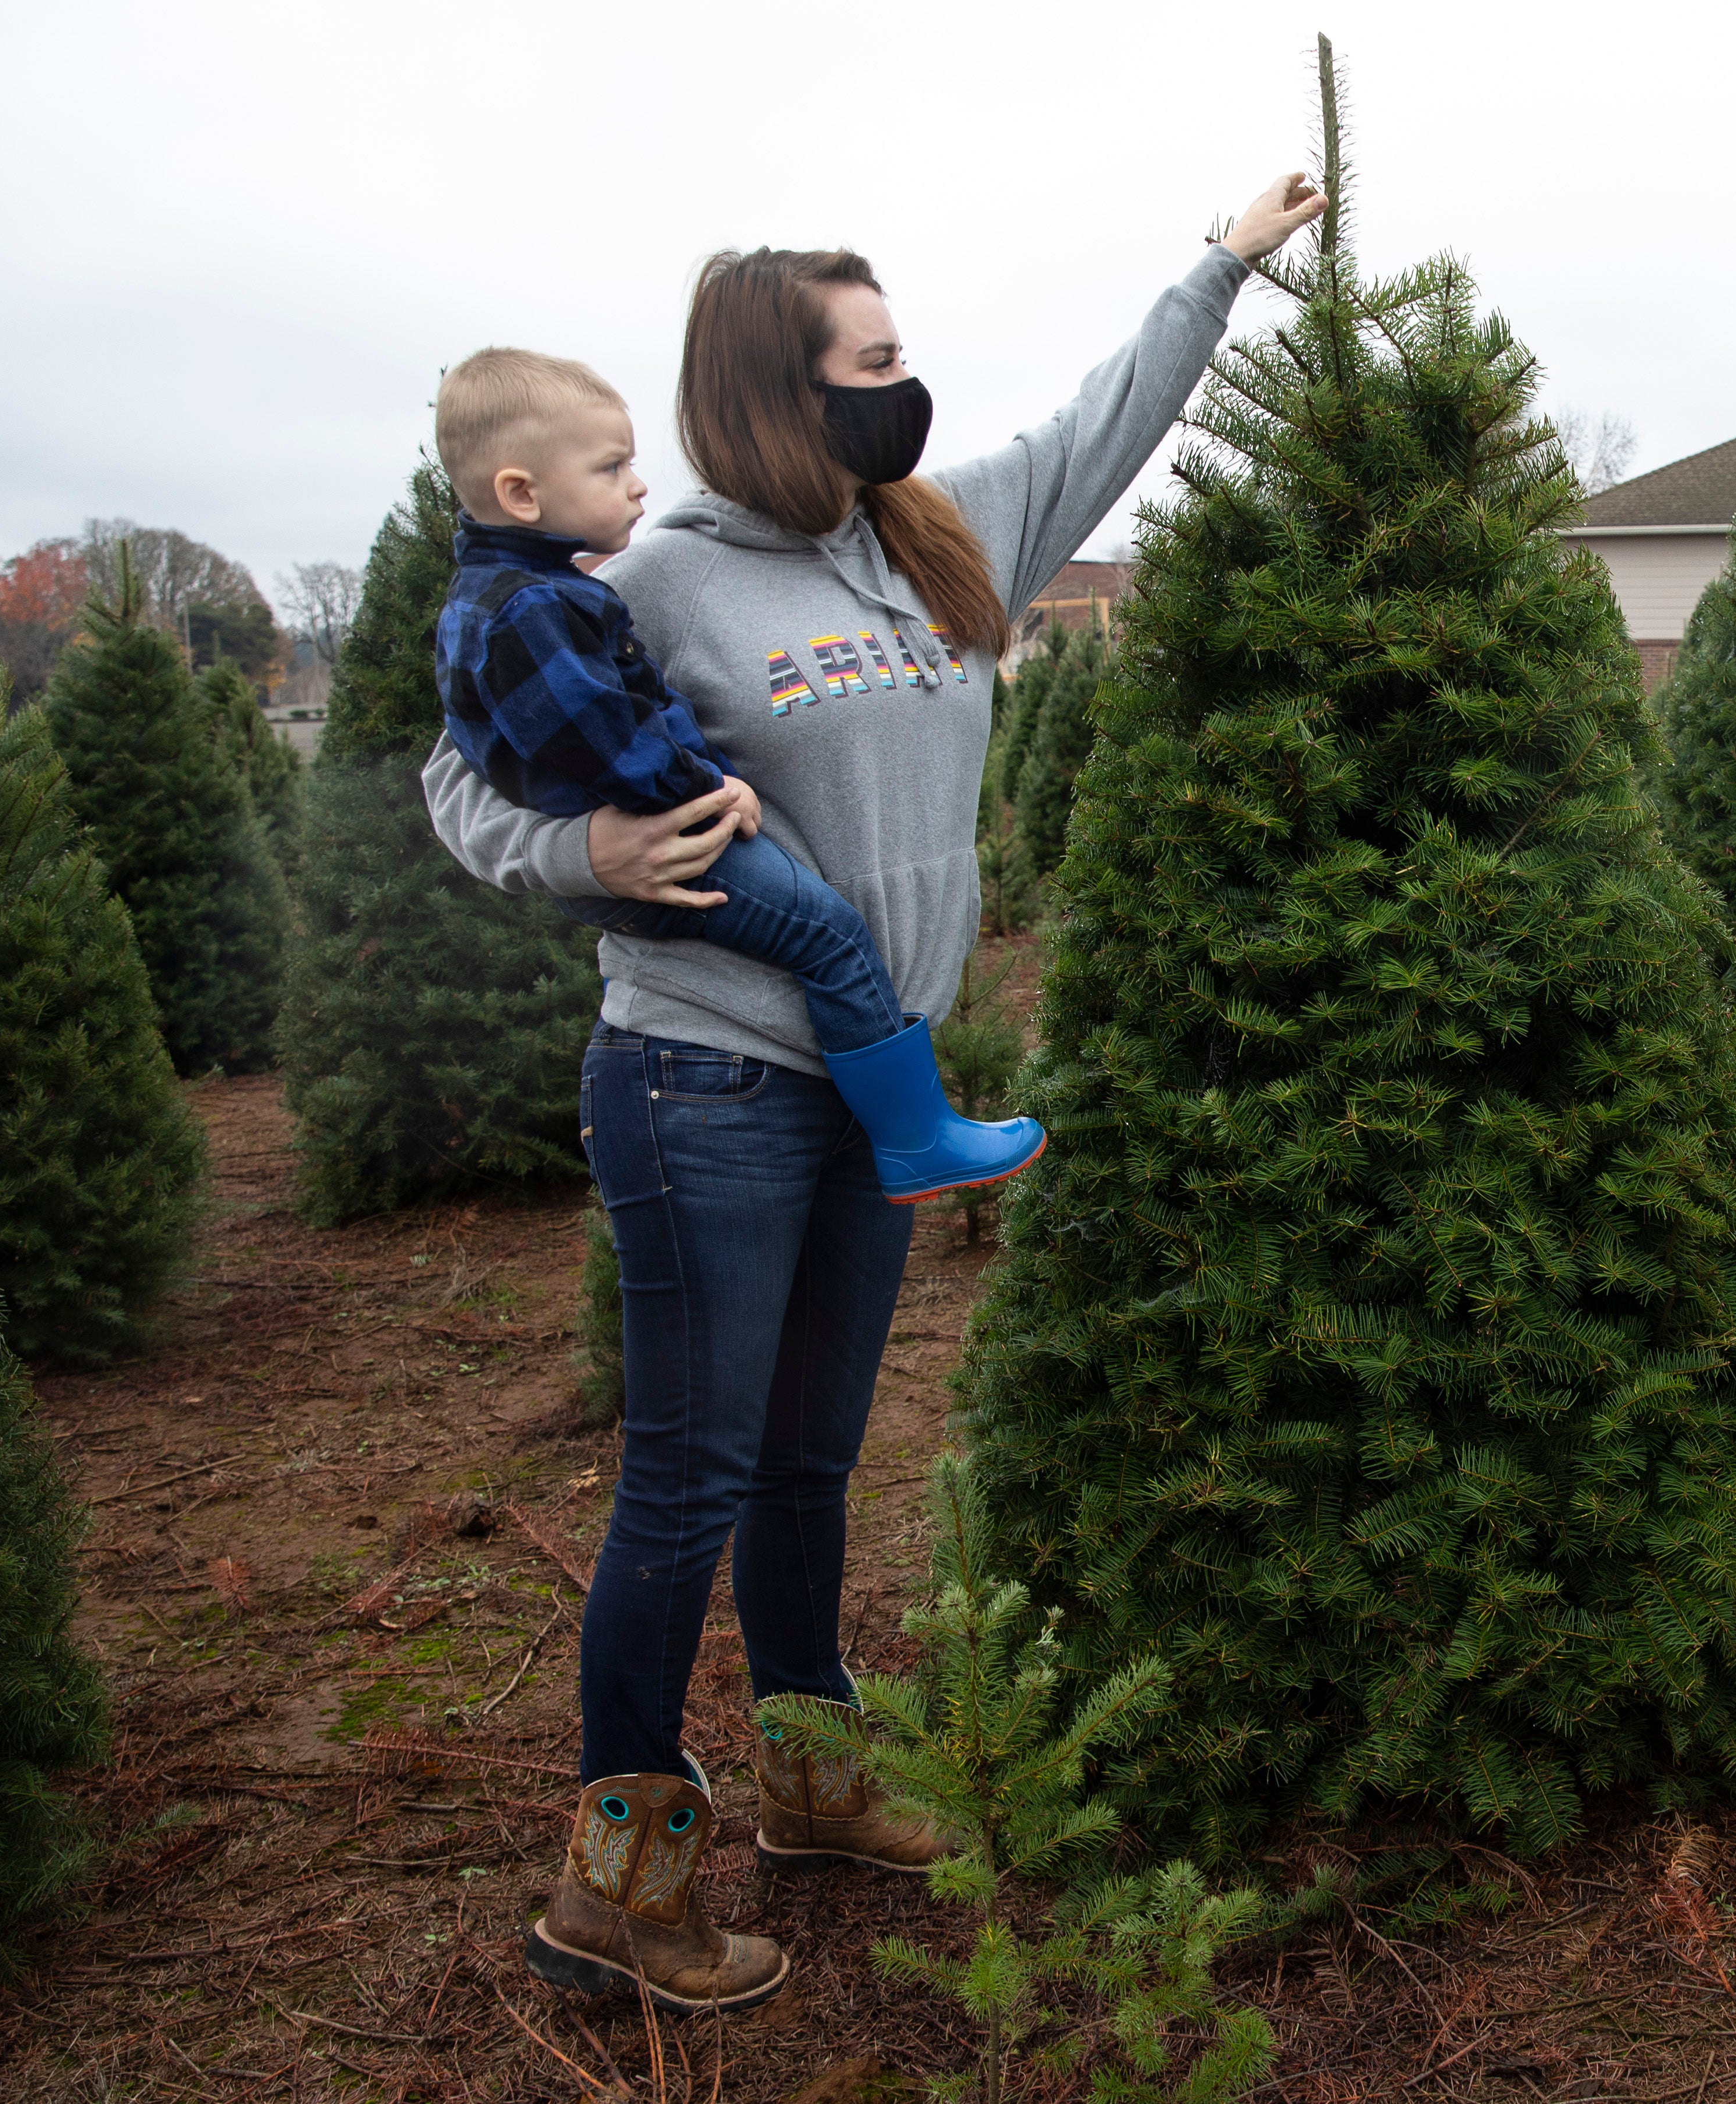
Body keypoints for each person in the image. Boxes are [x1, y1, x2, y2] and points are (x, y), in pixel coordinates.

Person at [422, 174, 1328, 2012]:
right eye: (876, 361)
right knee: (691, 1475)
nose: (906, 388)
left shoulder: (939, 534)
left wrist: (1221, 265)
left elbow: (1105, 419)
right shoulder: (658, 569)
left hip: (870, 1085)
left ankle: (814, 1778)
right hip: (707, 1076)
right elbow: (458, 785)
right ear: (776, 390)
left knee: (817, 1461)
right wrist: (588, 844)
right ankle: (619, 1877)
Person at [428, 347, 1042, 1205]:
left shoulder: (542, 592)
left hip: (672, 825)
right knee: (827, 933)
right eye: (610, 468)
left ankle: (907, 1129)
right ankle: (913, 1134)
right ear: (522, 494)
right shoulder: (533, 610)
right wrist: (700, 789)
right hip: (681, 839)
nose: (639, 485)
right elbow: (601, 738)